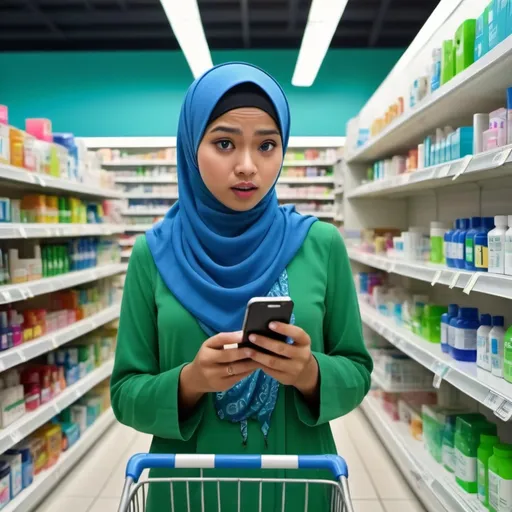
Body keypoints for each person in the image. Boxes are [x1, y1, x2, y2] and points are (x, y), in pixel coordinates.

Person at [110, 62, 373, 512]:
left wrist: (310, 374)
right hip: (188, 491)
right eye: (224, 143)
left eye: (267, 145)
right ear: (192, 146)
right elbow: (125, 393)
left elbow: (356, 371)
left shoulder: (320, 244)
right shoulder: (152, 253)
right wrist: (190, 382)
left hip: (299, 487)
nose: (248, 166)